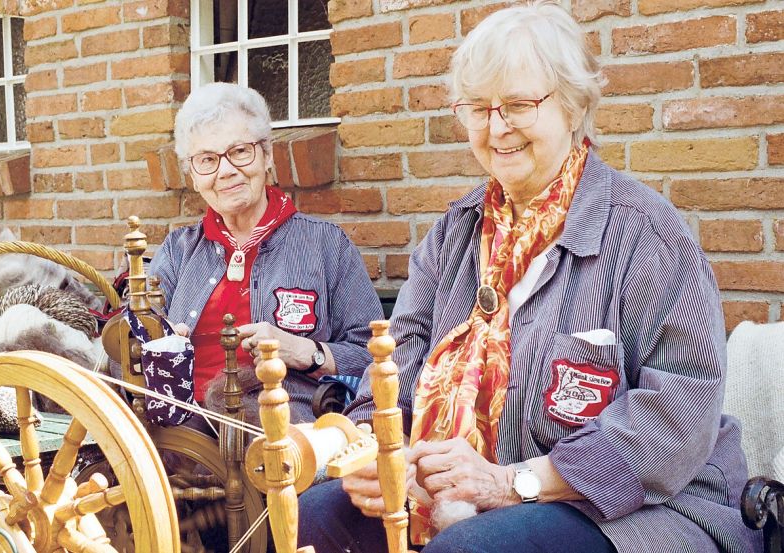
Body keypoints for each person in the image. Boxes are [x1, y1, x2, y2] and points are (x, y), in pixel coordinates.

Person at [297, 2, 762, 552]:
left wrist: (513, 482)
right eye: (478, 108)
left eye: (518, 104)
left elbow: (676, 420)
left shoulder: (648, 237)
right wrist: (375, 447)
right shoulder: (455, 234)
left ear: (572, 105)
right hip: (460, 487)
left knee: (470, 549)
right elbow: (400, 361)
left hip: (635, 505)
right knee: (319, 515)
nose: (497, 128)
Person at [150, 82, 383, 423]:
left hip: (279, 434)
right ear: (193, 177)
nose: (225, 170)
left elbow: (376, 356)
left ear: (267, 156)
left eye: (240, 151)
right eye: (207, 160)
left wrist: (307, 352)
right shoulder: (177, 251)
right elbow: (125, 350)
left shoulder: (326, 246)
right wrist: (158, 342)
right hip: (180, 435)